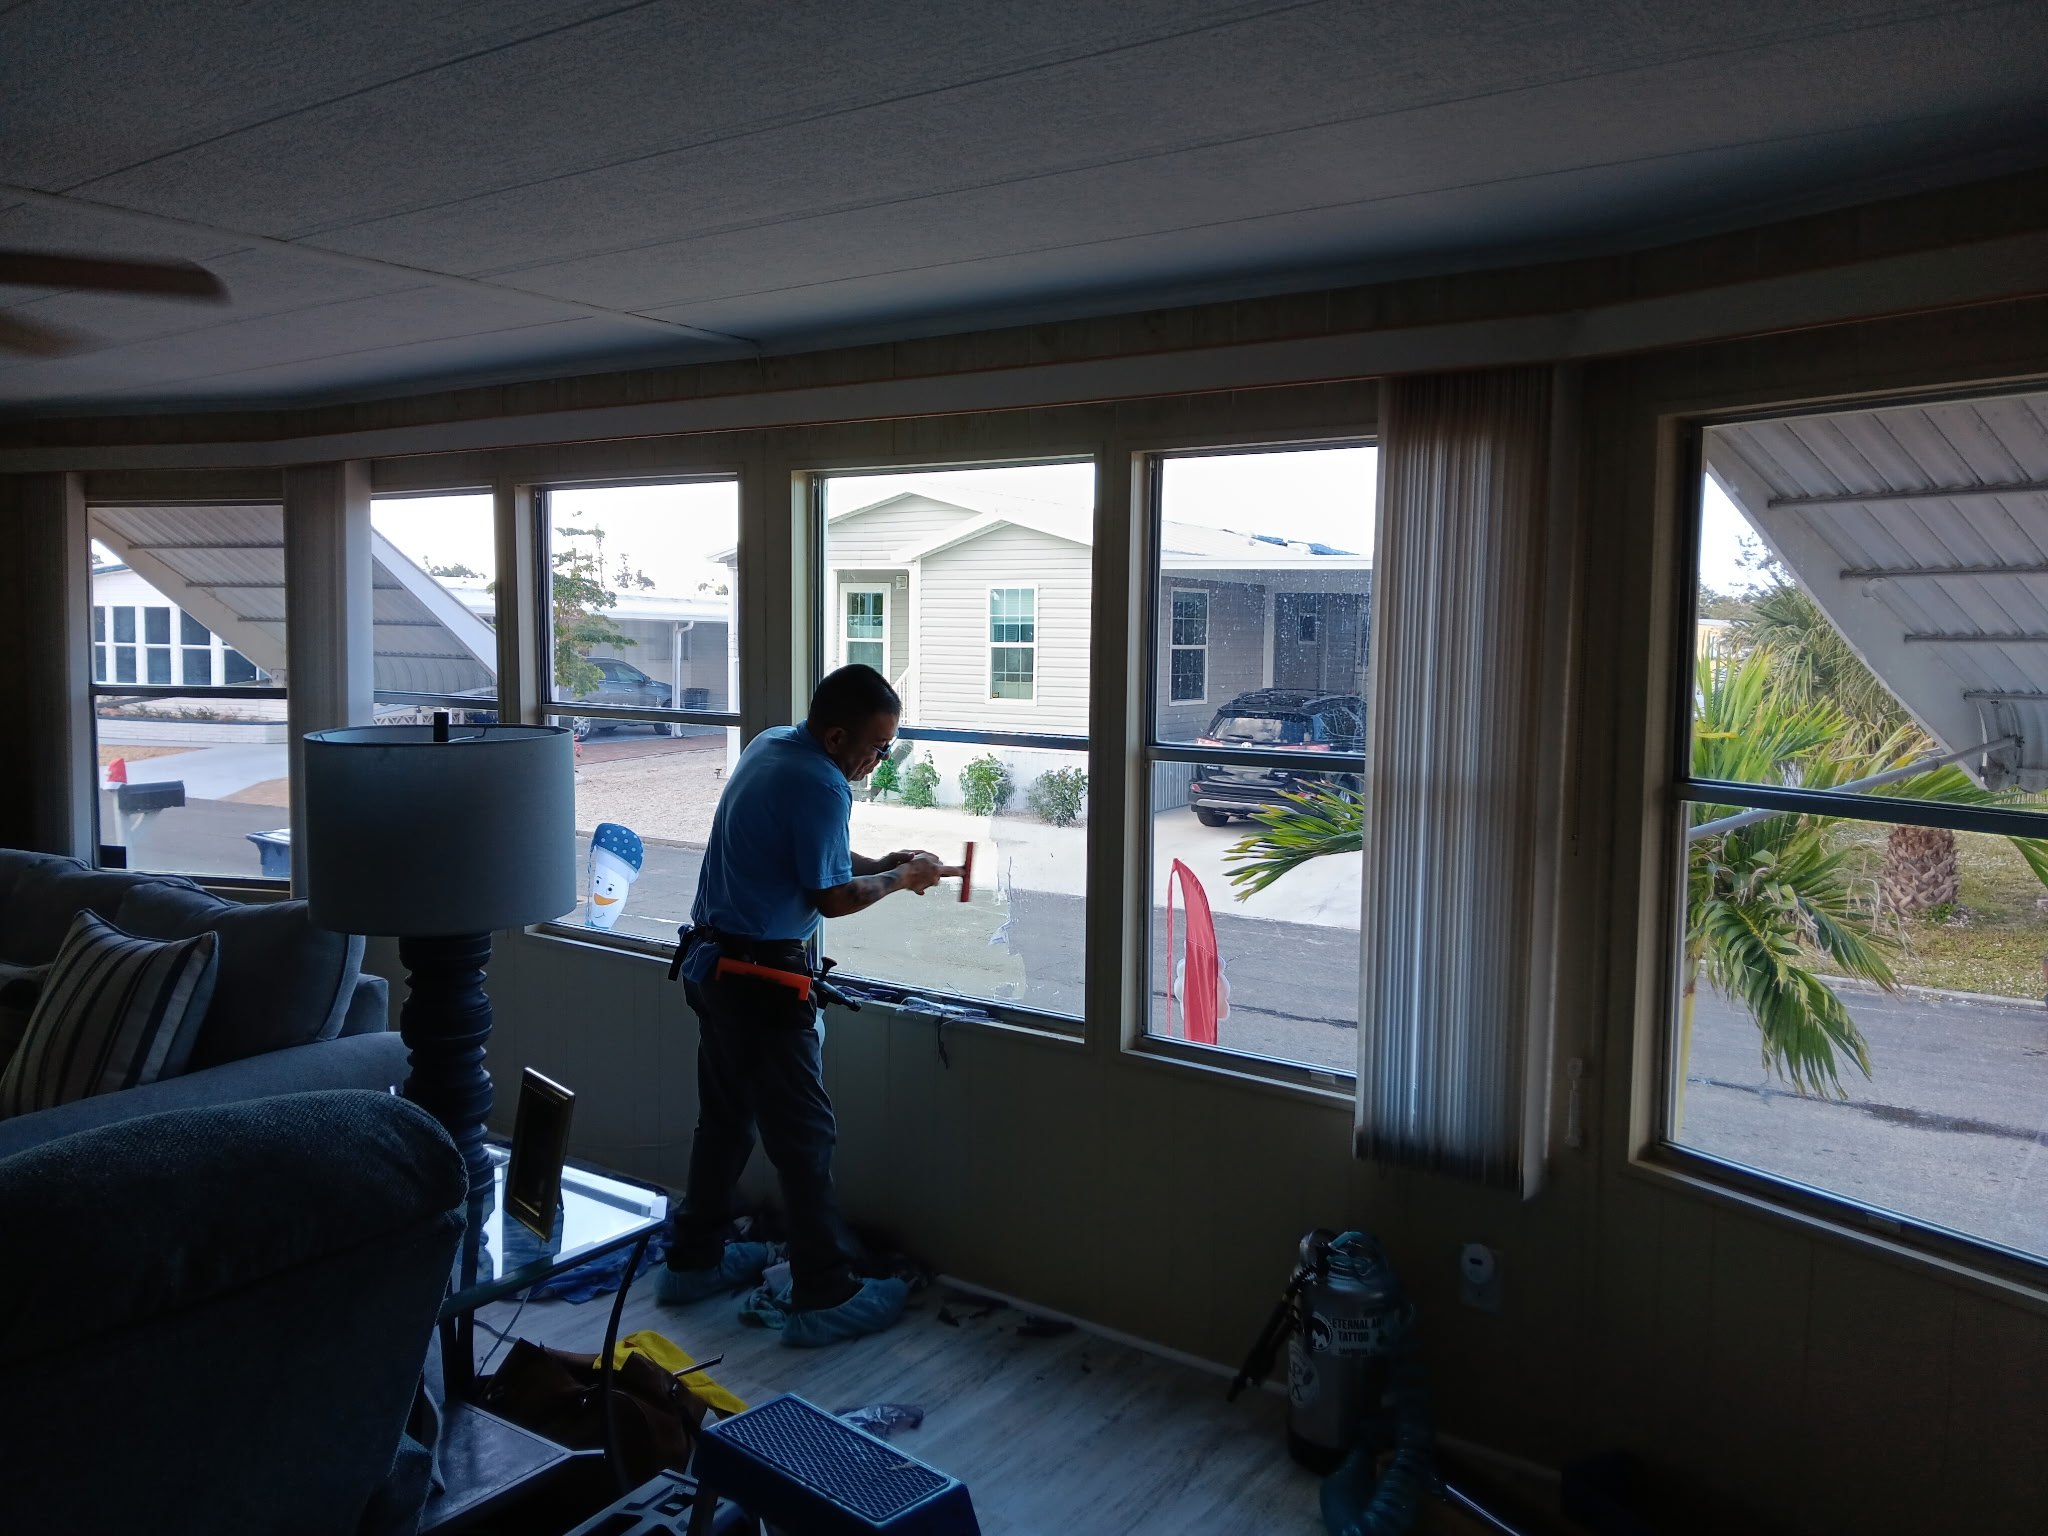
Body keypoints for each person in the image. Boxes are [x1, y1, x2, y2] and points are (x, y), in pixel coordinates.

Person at [658, 664, 947, 1346]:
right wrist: (899, 879)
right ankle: (824, 1293)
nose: (880, 760)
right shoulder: (821, 782)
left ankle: (693, 1260)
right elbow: (833, 898)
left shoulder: (772, 745)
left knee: (725, 1123)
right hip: (760, 982)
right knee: (805, 1139)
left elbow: (811, 856)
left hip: (713, 965)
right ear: (839, 736)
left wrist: (885, 861)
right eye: (877, 747)